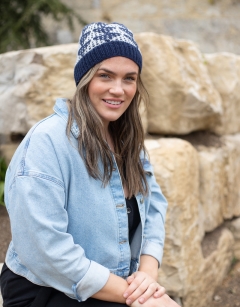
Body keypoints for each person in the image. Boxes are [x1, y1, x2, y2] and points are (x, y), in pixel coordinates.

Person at [0, 22, 180, 307]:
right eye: (105, 76)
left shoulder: (127, 139)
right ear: (84, 79)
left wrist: (147, 275)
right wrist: (137, 297)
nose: (118, 90)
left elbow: (154, 207)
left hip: (112, 285)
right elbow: (47, 250)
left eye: (129, 78)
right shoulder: (46, 144)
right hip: (47, 291)